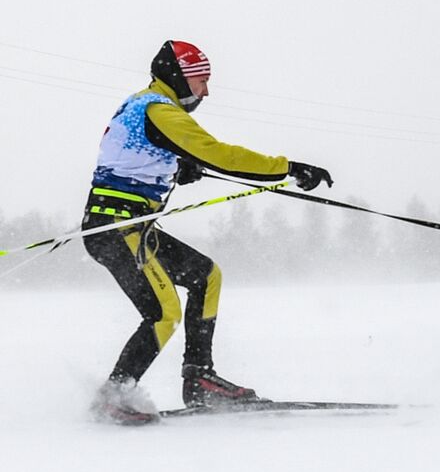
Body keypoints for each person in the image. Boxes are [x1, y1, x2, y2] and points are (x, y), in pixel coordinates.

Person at [83, 40, 333, 425]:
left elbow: (131, 154)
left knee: (205, 276)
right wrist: (290, 167)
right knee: (162, 314)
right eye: (201, 80)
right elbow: (220, 154)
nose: (205, 91)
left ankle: (200, 378)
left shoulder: (142, 104)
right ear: (179, 76)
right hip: (117, 228)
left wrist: (177, 164)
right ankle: (113, 396)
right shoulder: (159, 110)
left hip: (131, 226)